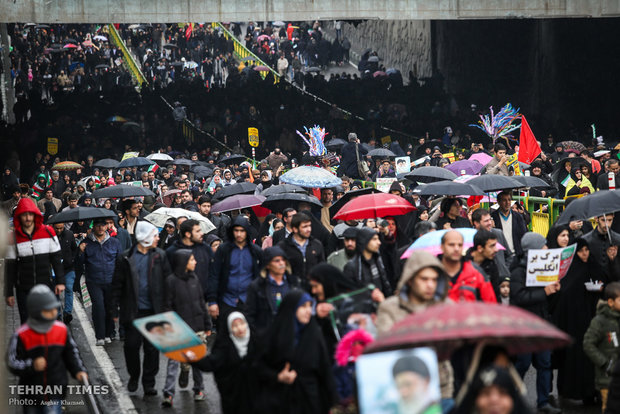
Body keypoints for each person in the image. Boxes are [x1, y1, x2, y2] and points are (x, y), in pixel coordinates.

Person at [376, 250, 455, 411]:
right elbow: (385, 345)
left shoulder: (446, 306)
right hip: (406, 390)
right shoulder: (391, 308)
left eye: (434, 279)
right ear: (410, 280)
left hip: (442, 387)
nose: (430, 285)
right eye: (424, 279)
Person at [7, 285, 88, 413]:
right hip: (31, 393)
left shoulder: (61, 330)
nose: (53, 312)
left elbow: (71, 353)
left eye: (53, 309)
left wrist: (78, 370)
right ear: (36, 311)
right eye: (47, 310)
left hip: (55, 390)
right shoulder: (22, 335)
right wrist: (31, 365)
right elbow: (12, 362)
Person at [112, 221, 172, 396]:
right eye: (154, 235)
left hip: (154, 311)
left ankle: (149, 383)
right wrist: (113, 309)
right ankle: (134, 375)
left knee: (152, 350)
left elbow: (168, 283)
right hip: (133, 311)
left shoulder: (160, 256)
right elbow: (117, 284)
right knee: (131, 346)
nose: (158, 238)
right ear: (144, 237)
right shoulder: (126, 257)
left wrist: (169, 307)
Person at [254, 289, 337, 413]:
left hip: (310, 401)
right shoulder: (274, 335)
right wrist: (278, 376)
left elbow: (325, 370)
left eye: (310, 306)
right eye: (303, 306)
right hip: (280, 402)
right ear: (292, 308)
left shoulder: (314, 334)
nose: (308, 310)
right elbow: (258, 367)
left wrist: (335, 403)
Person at [510, 232, 561, 414]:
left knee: (545, 362)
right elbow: (518, 297)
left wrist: (554, 288)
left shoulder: (544, 267)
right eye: (543, 246)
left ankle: (543, 401)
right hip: (524, 325)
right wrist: (544, 292)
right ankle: (512, 397)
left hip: (541, 321)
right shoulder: (518, 270)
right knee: (522, 363)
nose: (546, 248)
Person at [551, 238, 600, 403]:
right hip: (573, 324)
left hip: (592, 321)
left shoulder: (593, 266)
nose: (584, 254)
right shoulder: (570, 271)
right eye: (580, 251)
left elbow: (605, 284)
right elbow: (564, 295)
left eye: (586, 250)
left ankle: (591, 392)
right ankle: (572, 391)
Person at [161, 249, 211, 406]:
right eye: (191, 260)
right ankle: (168, 394)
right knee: (173, 363)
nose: (195, 262)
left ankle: (198, 389)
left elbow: (201, 302)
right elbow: (167, 306)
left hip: (197, 326)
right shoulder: (171, 281)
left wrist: (207, 323)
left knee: (197, 360)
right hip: (178, 330)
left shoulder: (194, 278)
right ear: (183, 263)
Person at [5, 198, 65, 323]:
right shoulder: (12, 238)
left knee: (47, 320)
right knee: (27, 323)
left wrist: (60, 281)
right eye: (24, 215)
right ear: (19, 217)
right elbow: (10, 267)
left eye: (30, 214)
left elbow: (56, 259)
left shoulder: (48, 232)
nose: (27, 218)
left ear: (34, 214)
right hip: (23, 288)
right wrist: (9, 292)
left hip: (46, 285)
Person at [192, 312, 259, 414]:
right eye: (235, 326)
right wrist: (192, 358)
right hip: (233, 399)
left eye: (242, 324)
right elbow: (211, 363)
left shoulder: (256, 342)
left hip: (256, 399)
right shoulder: (225, 347)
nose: (240, 328)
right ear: (229, 328)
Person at [208, 216, 263, 321]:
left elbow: (261, 277)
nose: (239, 234)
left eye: (242, 231)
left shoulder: (256, 251)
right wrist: (212, 301)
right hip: (227, 300)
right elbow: (214, 275)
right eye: (236, 230)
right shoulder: (223, 250)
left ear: (247, 231)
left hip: (249, 301)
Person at [78, 218, 122, 345]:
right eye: (97, 226)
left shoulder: (114, 242)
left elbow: (119, 261)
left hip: (111, 280)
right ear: (93, 228)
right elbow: (79, 264)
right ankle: (100, 336)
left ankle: (109, 333)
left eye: (103, 225)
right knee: (98, 307)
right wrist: (80, 252)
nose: (100, 228)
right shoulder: (86, 243)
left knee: (110, 307)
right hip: (93, 280)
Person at [584, 282, 620, 413]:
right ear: (610, 302)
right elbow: (588, 344)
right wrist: (605, 363)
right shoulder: (600, 321)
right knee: (609, 407)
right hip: (607, 378)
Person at [245, 246, 295, 335]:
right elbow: (250, 316)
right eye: (277, 261)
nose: (281, 263)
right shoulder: (257, 287)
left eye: (283, 260)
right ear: (267, 264)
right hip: (266, 338)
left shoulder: (293, 283)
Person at [440, 230, 496, 303]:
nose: (456, 249)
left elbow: (490, 304)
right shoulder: (432, 273)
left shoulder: (477, 273)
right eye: (451, 245)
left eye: (460, 245)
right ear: (442, 247)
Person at [166, 219, 212, 303]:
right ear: (188, 234)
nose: (201, 233)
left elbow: (213, 273)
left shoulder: (205, 248)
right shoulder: (172, 251)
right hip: (180, 301)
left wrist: (212, 299)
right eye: (197, 231)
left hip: (204, 299)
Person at [278, 212, 325, 289]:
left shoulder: (317, 245)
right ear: (295, 229)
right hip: (291, 291)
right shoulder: (283, 246)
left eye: (309, 226)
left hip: (312, 290)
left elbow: (322, 268)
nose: (308, 229)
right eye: (305, 227)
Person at [343, 226, 392, 300]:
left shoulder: (377, 260)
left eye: (378, 239)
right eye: (374, 239)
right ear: (364, 241)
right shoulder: (352, 266)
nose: (379, 242)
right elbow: (349, 296)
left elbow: (385, 285)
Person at [52, 222, 77, 325]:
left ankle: (67, 312)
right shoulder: (50, 236)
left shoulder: (69, 234)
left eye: (61, 228)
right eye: (57, 228)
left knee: (69, 289)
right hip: (54, 268)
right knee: (55, 292)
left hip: (68, 268)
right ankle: (57, 313)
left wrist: (71, 260)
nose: (59, 230)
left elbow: (74, 249)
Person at [491, 191, 527, 258]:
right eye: (504, 200)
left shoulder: (518, 217)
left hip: (516, 254)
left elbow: (523, 234)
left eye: (509, 200)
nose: (507, 203)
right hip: (500, 255)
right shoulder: (493, 217)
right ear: (498, 202)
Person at [467, 230, 503, 297]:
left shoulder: (492, 265)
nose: (496, 249)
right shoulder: (463, 265)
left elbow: (495, 293)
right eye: (492, 246)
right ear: (480, 248)